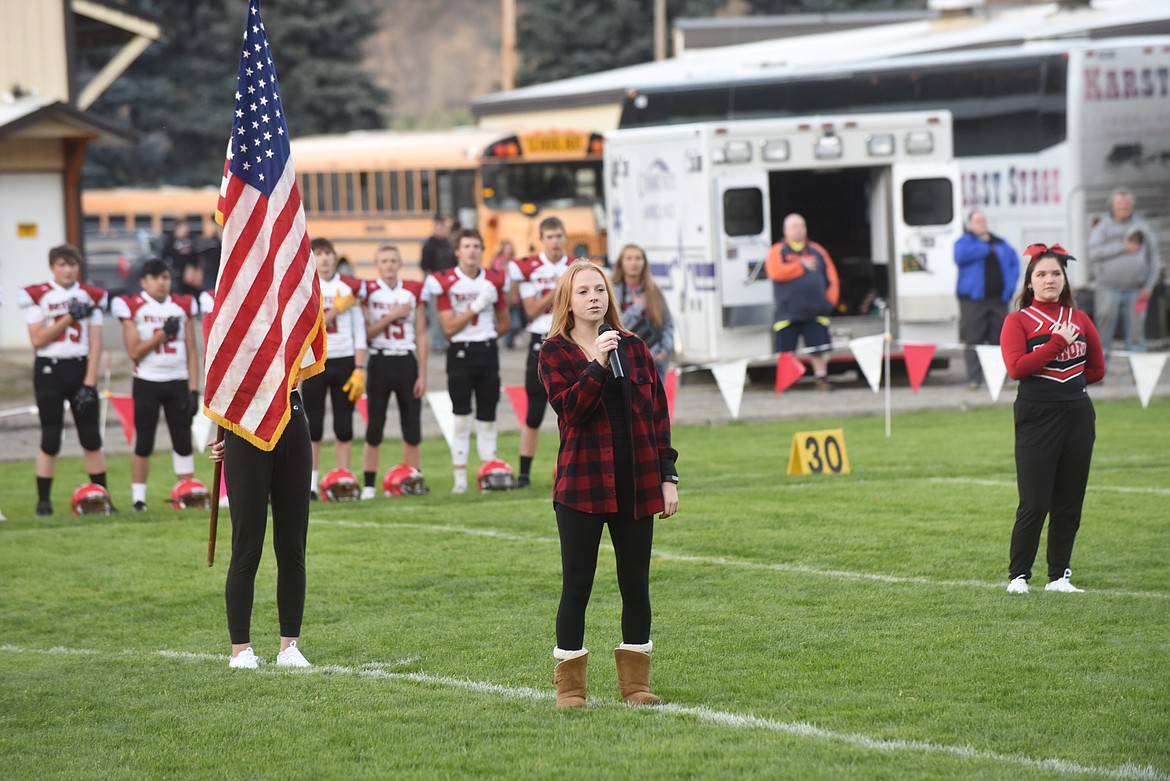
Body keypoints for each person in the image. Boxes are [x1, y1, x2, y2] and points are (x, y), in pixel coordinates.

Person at [538, 260, 679, 709]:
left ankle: (636, 686)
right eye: (583, 292)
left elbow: (657, 416)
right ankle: (571, 689)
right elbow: (571, 411)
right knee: (576, 584)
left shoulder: (635, 347)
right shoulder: (553, 353)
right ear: (568, 301)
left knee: (635, 582)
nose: (593, 298)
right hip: (581, 485)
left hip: (636, 482)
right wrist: (597, 362)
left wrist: (667, 477)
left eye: (599, 289)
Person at [1000, 243, 1105, 595]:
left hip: (1077, 412)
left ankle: (1059, 576)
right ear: (1030, 282)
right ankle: (1019, 577)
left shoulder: (1080, 318)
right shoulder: (1018, 321)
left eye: (1056, 273)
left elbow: (1097, 369)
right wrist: (1055, 345)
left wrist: (1068, 387)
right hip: (1036, 413)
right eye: (1041, 274)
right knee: (1035, 500)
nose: (1049, 279)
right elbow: (1016, 369)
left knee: (1069, 499)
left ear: (1065, 279)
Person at [208, 391, 312, 670]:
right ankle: (241, 649)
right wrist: (228, 431)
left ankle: (290, 647)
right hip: (244, 424)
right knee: (247, 546)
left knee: (292, 546)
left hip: (291, 420)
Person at [17, 245, 110, 516]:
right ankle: (43, 501)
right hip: (49, 369)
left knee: (91, 438)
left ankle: (102, 497)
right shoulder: (38, 295)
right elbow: (38, 340)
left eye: (72, 265)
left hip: (80, 368)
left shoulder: (90, 295)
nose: (67, 270)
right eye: (62, 264)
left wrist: (90, 383)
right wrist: (70, 317)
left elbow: (95, 343)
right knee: (50, 436)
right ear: (52, 267)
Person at [111, 260, 201, 510]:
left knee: (182, 439)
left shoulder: (182, 305)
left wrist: (195, 387)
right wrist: (163, 334)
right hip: (147, 380)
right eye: (155, 277)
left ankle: (187, 493)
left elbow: (192, 351)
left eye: (165, 277)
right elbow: (134, 352)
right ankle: (138, 498)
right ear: (144, 281)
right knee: (144, 440)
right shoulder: (133, 306)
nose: (161, 282)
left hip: (178, 380)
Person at [424, 228, 509, 493]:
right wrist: (478, 305)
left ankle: (489, 474)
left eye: (476, 246)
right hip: (459, 352)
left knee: (488, 415)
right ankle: (460, 479)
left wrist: (485, 334)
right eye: (467, 246)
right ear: (457, 251)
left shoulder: (493, 279)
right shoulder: (446, 280)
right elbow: (448, 327)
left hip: (486, 350)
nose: (472, 251)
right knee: (461, 416)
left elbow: (505, 322)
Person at [508, 217, 572, 488]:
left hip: (570, 338)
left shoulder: (575, 266)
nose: (555, 241)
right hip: (541, 339)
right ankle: (524, 472)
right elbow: (531, 310)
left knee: (572, 411)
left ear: (564, 237)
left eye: (559, 236)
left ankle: (570, 469)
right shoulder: (529, 268)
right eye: (550, 236)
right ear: (542, 239)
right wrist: (556, 290)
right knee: (534, 410)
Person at [359, 244, 428, 499]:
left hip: (405, 361)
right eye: (384, 261)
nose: (389, 265)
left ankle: (413, 477)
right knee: (375, 425)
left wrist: (422, 372)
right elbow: (365, 334)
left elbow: (421, 333)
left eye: (393, 261)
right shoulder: (368, 292)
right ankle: (368, 483)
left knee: (411, 424)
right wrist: (391, 316)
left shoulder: (412, 291)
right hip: (379, 360)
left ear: (400, 264)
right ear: (377, 265)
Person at [302, 238, 366, 499]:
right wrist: (333, 312)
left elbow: (360, 332)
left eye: (329, 253)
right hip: (317, 361)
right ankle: (312, 483)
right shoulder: (305, 288)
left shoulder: (348, 287)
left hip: (344, 358)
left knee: (344, 424)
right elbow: (306, 330)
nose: (325, 259)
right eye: (319, 253)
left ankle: (344, 477)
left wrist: (360, 366)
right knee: (313, 425)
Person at [765, 214, 839, 391]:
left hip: (816, 311)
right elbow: (775, 273)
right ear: (785, 231)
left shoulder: (817, 251)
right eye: (795, 227)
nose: (799, 230)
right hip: (787, 312)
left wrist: (830, 301)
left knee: (818, 349)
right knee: (786, 351)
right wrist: (800, 266)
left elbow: (832, 277)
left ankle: (821, 379)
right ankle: (786, 382)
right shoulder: (777, 251)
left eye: (802, 226)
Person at [1087, 189, 1161, 362]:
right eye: (1120, 204)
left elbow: (1154, 259)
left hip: (1137, 290)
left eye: (1127, 204)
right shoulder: (1102, 228)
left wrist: (1149, 285)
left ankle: (1140, 377)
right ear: (1112, 206)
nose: (1124, 207)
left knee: (1136, 335)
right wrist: (1122, 247)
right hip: (1107, 288)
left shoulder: (1142, 228)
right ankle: (1099, 372)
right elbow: (1094, 253)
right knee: (1103, 334)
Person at [954, 210, 1019, 389]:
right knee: (974, 339)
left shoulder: (1000, 243)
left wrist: (1010, 288)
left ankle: (1001, 378)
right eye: (977, 221)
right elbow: (959, 256)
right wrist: (984, 247)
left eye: (983, 220)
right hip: (973, 301)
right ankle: (974, 379)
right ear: (970, 224)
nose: (981, 224)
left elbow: (1014, 263)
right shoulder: (964, 242)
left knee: (1000, 339)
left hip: (998, 299)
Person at [611, 243, 674, 380]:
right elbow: (615, 325)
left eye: (638, 258)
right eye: (629, 258)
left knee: (656, 402)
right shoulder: (612, 291)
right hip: (625, 361)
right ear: (621, 263)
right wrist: (637, 309)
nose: (634, 262)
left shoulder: (653, 290)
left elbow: (667, 323)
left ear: (644, 262)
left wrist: (664, 351)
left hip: (653, 360)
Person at [420, 214, 456, 351]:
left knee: (448, 314)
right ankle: (436, 342)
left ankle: (446, 340)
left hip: (450, 285)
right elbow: (426, 267)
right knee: (436, 315)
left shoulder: (449, 244)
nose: (441, 229)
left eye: (443, 226)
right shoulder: (429, 245)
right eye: (439, 226)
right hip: (435, 285)